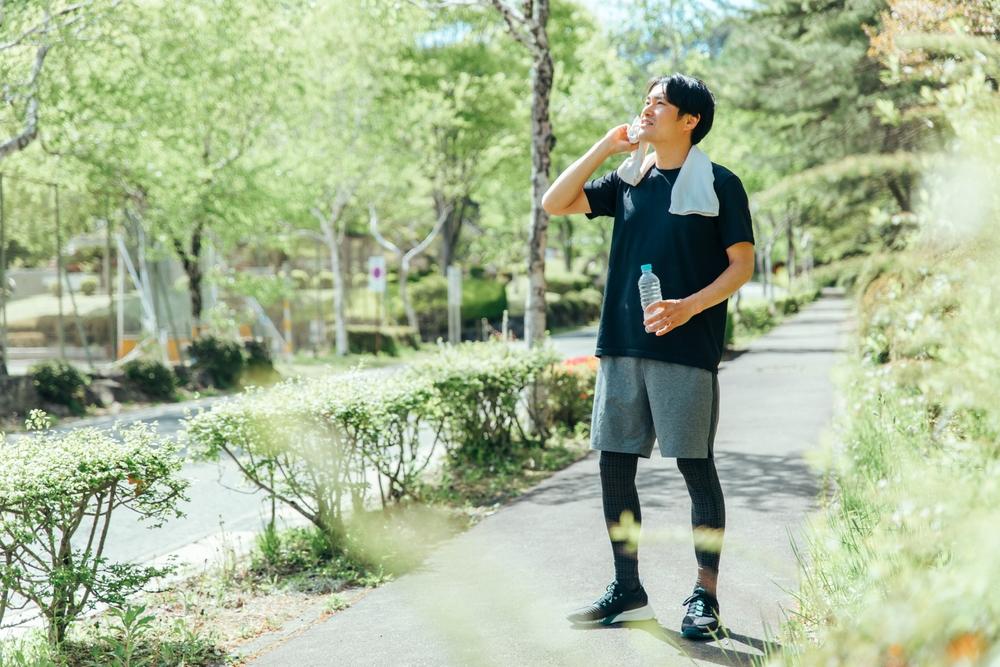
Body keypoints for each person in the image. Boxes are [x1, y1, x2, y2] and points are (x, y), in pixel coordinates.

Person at [541, 73, 756, 638]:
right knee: (615, 466)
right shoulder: (628, 179)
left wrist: (690, 307)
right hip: (620, 345)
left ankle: (705, 599)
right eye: (648, 99)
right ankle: (627, 590)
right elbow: (554, 201)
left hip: (687, 347)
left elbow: (742, 266)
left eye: (660, 102)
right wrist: (606, 147)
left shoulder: (721, 185)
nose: (648, 106)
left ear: (690, 121)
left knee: (695, 469)